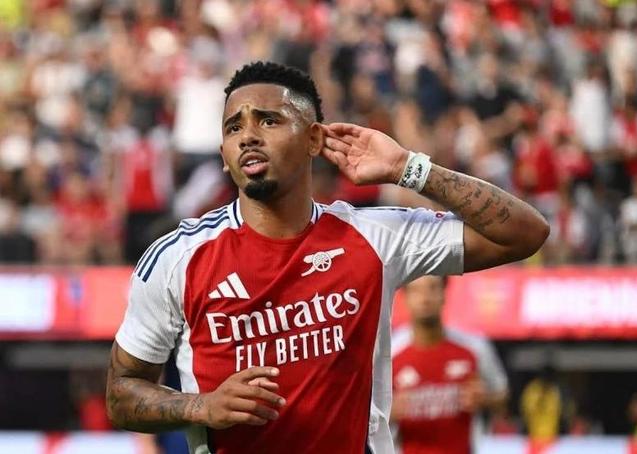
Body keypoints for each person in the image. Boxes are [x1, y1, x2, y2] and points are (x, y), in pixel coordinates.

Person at [106, 61, 549, 454]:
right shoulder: (177, 258)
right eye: (233, 128)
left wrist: (407, 168)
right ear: (223, 155)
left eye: (269, 120)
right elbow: (121, 392)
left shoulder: (373, 237)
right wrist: (201, 407)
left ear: (314, 138)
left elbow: (524, 233)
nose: (248, 137)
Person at [390, 275, 509, 454]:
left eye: (432, 288)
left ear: (444, 292)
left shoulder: (474, 348)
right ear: (405, 297)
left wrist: (485, 399)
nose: (425, 297)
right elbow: (366, 415)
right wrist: (387, 412)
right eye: (416, 290)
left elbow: (503, 399)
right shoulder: (389, 355)